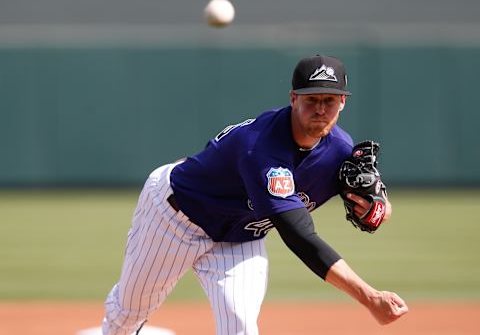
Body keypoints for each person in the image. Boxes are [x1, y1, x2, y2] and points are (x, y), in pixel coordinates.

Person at [102, 54, 408, 335]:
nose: (320, 108)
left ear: (342, 102)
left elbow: (376, 202)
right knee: (129, 313)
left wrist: (380, 208)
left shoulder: (340, 150)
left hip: (240, 235)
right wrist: (368, 296)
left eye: (329, 100)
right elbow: (299, 236)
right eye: (311, 99)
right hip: (176, 216)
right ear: (293, 99)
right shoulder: (260, 148)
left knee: (241, 328)